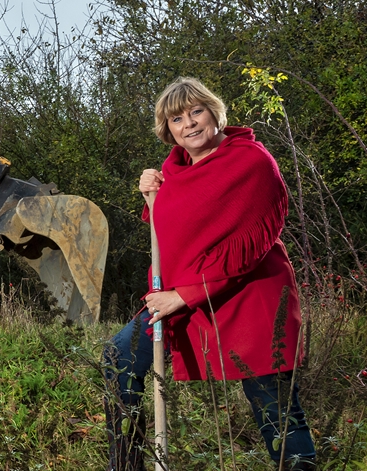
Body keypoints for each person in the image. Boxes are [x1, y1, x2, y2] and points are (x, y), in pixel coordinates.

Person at [104, 77, 315, 471]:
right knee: (119, 356)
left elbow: (250, 248)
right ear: (167, 129)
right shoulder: (174, 170)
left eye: (196, 112)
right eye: (177, 119)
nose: (189, 124)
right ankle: (126, 465)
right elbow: (178, 232)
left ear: (214, 113)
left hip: (250, 299)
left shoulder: (252, 162)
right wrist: (152, 197)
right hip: (186, 299)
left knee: (275, 409)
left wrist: (182, 296)